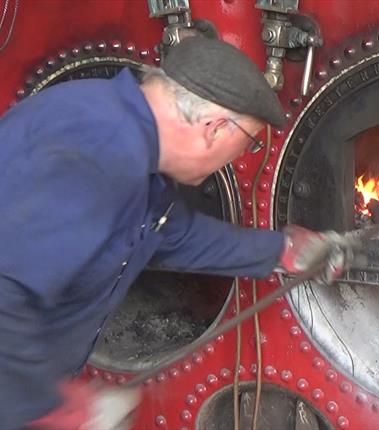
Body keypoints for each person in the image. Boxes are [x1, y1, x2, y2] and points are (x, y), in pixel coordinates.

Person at [0, 36, 356, 429]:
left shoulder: (127, 142)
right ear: (215, 128)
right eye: (248, 144)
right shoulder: (95, 148)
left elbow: (170, 234)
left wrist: (284, 250)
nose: (241, 156)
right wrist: (40, 408)